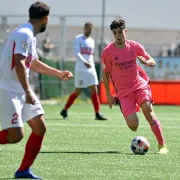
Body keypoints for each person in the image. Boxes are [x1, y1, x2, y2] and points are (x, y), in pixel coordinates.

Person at [0, 2, 73, 179]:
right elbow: (19, 63)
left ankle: (23, 170)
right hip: (9, 90)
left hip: (21, 89)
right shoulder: (24, 34)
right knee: (16, 136)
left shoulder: (28, 34)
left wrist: (58, 73)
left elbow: (34, 63)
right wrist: (28, 90)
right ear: (46, 19)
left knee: (40, 127)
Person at [101, 18, 168, 154]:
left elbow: (152, 61)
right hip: (123, 93)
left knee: (148, 113)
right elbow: (105, 73)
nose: (118, 36)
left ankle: (162, 146)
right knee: (133, 126)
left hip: (139, 86)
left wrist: (148, 63)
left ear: (126, 32)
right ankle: (131, 110)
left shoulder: (135, 46)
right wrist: (108, 94)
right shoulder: (107, 52)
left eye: (120, 32)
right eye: (115, 33)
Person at [60, 22, 107, 120]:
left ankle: (97, 113)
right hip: (81, 69)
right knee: (77, 91)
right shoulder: (78, 38)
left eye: (90, 29)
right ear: (84, 28)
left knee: (94, 89)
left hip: (91, 69)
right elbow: (77, 53)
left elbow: (90, 56)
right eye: (87, 28)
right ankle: (64, 110)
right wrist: (84, 62)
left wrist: (90, 64)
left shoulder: (92, 41)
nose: (88, 31)